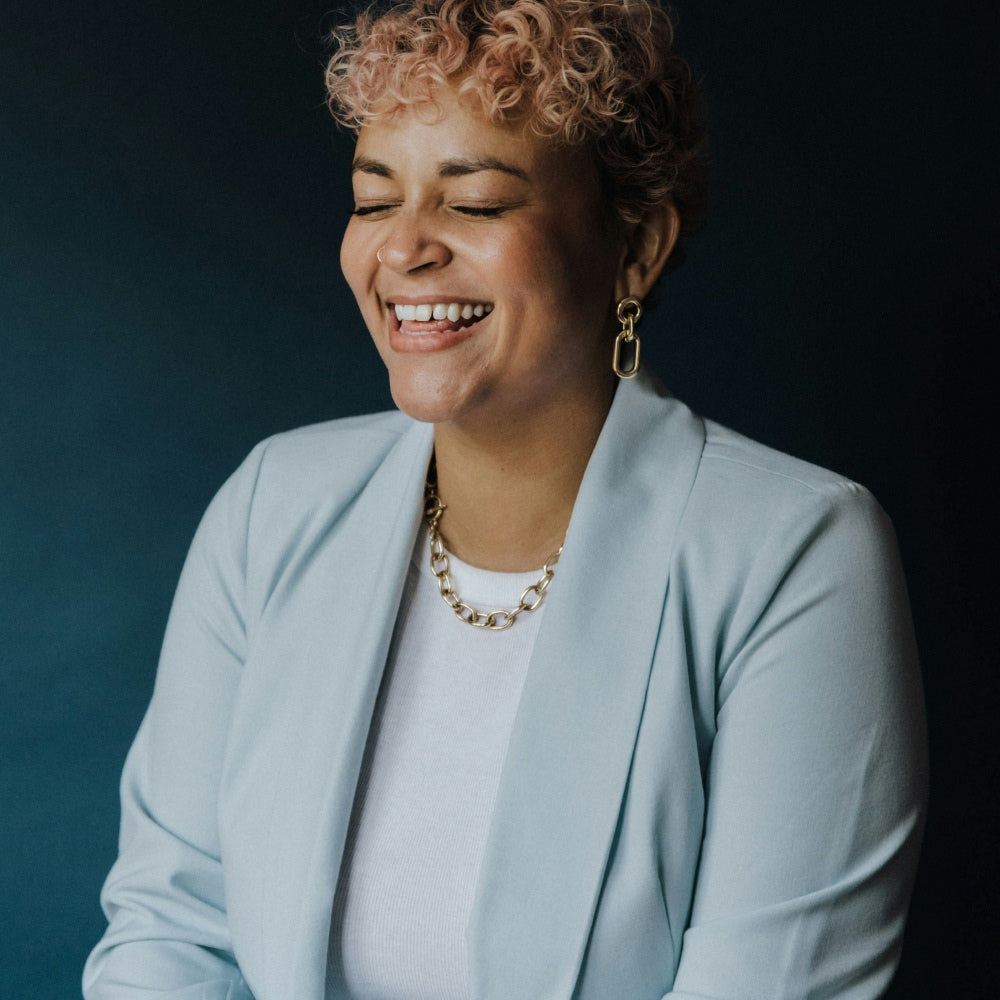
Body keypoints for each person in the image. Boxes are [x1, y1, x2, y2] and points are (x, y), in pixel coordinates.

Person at [83, 1, 927, 998]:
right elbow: (170, 928)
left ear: (637, 248)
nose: (403, 250)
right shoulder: (273, 507)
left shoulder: (796, 550)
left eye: (474, 201)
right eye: (372, 199)